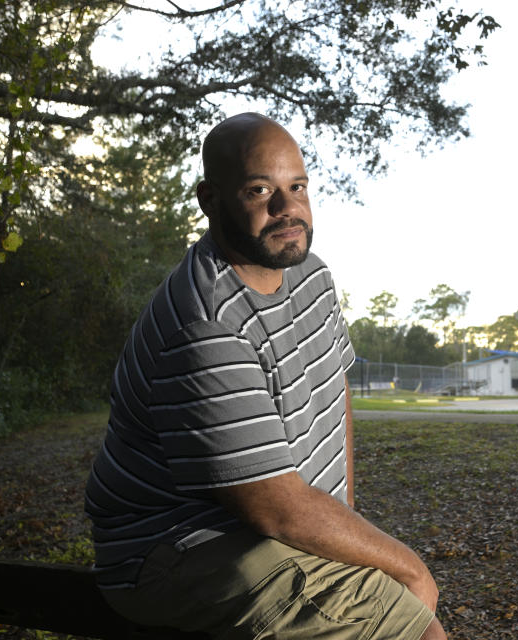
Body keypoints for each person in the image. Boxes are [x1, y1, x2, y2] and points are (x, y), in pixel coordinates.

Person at [84, 113, 446, 640]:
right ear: (211, 199)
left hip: (261, 526)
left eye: (296, 186)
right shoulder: (204, 322)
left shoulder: (313, 277)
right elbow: (275, 509)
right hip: (172, 549)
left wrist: (345, 526)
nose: (287, 209)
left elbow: (332, 398)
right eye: (260, 190)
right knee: (412, 627)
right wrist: (409, 568)